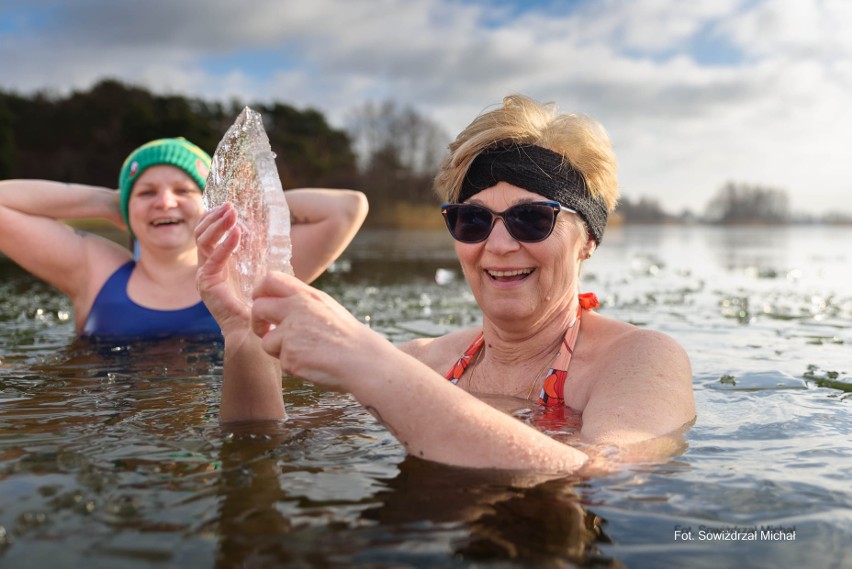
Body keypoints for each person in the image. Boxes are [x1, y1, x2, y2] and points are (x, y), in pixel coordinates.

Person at [196, 95, 695, 473]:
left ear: (587, 239)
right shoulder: (422, 362)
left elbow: (600, 472)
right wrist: (245, 342)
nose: (497, 246)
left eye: (531, 219)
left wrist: (371, 361)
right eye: (472, 221)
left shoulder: (640, 359)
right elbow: (263, 448)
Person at [0, 137, 368, 339]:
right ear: (125, 210)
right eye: (145, 193)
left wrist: (232, 208)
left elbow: (347, 208)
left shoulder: (250, 271)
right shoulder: (93, 270)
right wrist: (108, 200)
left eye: (182, 190)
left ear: (209, 203)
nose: (164, 202)